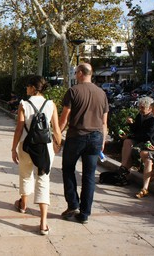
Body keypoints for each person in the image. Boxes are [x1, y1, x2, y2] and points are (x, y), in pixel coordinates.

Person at [11, 75, 62, 235]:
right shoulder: (51, 104)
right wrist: (58, 144)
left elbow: (19, 129)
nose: (26, 89)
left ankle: (23, 205)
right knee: (43, 179)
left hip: (26, 145)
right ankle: (43, 223)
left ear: (33, 87)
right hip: (45, 147)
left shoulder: (24, 104)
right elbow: (56, 129)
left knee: (25, 175)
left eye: (28, 86)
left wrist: (13, 148)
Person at [58, 63, 108, 224]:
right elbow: (104, 122)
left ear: (80, 73)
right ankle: (85, 213)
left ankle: (73, 204)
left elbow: (64, 118)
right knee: (89, 176)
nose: (74, 74)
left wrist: (57, 137)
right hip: (95, 138)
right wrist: (103, 141)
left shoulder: (73, 91)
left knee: (68, 170)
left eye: (75, 72)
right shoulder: (101, 93)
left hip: (76, 136)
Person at [117, 96, 154, 179]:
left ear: (150, 108)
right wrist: (131, 123)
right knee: (127, 142)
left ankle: (124, 168)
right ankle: (124, 167)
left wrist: (129, 136)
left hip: (150, 142)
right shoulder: (140, 116)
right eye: (139, 107)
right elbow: (136, 130)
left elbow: (147, 135)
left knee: (130, 144)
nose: (140, 110)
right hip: (140, 139)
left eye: (142, 108)